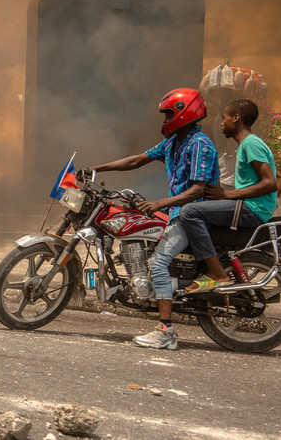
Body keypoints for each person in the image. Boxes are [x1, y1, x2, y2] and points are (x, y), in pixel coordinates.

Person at [84, 88, 219, 351]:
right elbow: (137, 160)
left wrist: (159, 203)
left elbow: (198, 189)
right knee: (151, 249)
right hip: (177, 214)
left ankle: (166, 332)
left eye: (168, 114)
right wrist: (97, 168)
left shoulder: (200, 143)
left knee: (157, 264)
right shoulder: (173, 142)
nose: (164, 120)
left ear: (183, 112)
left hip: (194, 216)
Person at [179, 99, 281, 294]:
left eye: (224, 118)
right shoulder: (248, 144)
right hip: (254, 206)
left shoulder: (250, 144)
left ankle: (217, 273)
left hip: (251, 209)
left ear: (236, 118)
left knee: (189, 212)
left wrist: (227, 195)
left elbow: (270, 182)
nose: (221, 123)